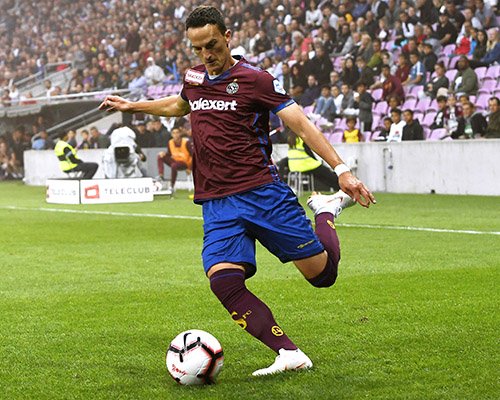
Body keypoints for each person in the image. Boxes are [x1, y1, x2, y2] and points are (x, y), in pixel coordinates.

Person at [100, 6, 375, 377]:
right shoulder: (194, 77)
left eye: (211, 45)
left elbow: (301, 125)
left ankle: (326, 210)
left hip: (262, 194)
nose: (206, 55)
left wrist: (341, 171)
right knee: (223, 281)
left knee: (322, 276)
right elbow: (179, 105)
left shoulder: (256, 80)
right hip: (217, 201)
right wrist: (133, 106)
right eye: (197, 48)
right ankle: (288, 352)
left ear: (227, 37)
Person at [157, 127, 193, 192]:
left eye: (177, 133)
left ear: (180, 134)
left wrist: (190, 167)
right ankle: (161, 175)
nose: (175, 135)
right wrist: (164, 154)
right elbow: (169, 154)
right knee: (160, 156)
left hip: (185, 163)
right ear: (171, 134)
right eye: (174, 133)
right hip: (174, 161)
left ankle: (171, 186)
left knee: (174, 165)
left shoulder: (186, 142)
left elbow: (193, 156)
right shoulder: (170, 142)